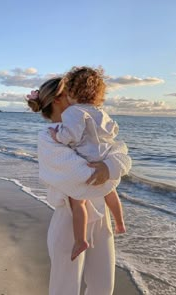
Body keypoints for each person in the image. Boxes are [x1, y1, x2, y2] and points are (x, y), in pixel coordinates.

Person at [26, 76, 131, 295]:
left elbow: (123, 156)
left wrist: (110, 168)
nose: (79, 98)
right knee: (66, 287)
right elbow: (83, 176)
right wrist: (109, 169)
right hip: (70, 219)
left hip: (102, 217)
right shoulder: (49, 136)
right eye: (71, 93)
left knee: (103, 286)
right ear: (58, 99)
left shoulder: (86, 128)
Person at [48, 66, 126, 261]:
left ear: (71, 91)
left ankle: (81, 240)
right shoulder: (101, 112)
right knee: (110, 191)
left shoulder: (74, 112)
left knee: (78, 203)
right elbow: (113, 131)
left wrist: (57, 135)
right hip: (104, 159)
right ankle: (120, 222)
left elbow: (70, 135)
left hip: (87, 162)